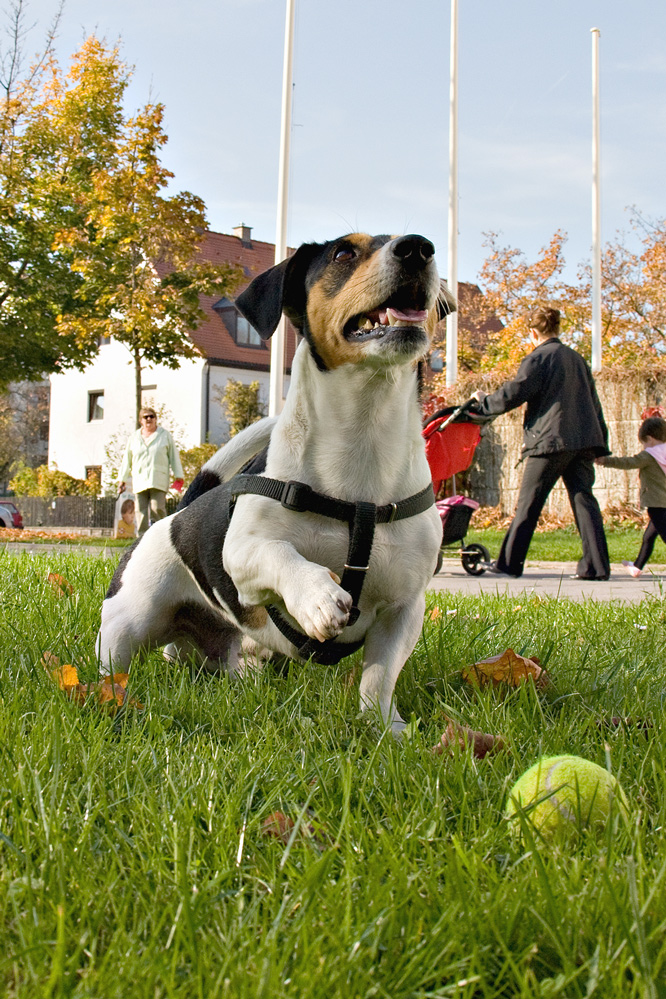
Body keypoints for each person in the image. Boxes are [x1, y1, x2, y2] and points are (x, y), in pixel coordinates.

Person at [472, 306, 611, 580]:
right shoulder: (577, 359)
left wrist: (483, 404)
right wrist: (601, 444)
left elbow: (516, 392)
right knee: (584, 501)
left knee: (528, 504)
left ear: (533, 333)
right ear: (557, 328)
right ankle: (596, 567)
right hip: (582, 442)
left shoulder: (539, 358)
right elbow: (594, 403)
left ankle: (508, 564)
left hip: (549, 441)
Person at [596, 415, 666, 577]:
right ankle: (637, 566)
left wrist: (605, 461)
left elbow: (629, 462)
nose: (644, 446)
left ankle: (637, 566)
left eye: (644, 443)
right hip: (663, 504)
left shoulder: (649, 455)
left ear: (649, 438)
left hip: (656, 503)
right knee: (649, 536)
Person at [118, 408, 184, 536]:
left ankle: (162, 538)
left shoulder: (165, 435)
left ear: (156, 419)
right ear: (140, 421)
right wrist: (122, 479)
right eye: (145, 417)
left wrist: (178, 476)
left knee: (157, 508)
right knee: (140, 511)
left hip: (158, 478)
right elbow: (126, 459)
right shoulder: (134, 438)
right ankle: (141, 540)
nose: (149, 419)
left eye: (151, 416)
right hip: (140, 479)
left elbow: (174, 456)